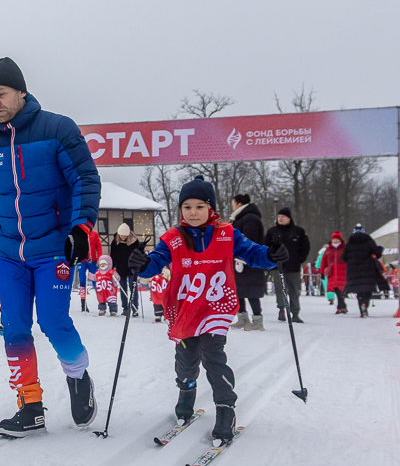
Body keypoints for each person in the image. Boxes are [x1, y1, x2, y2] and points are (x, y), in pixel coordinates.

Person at [0, 57, 102, 437]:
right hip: (11, 254)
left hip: (54, 250)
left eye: (1, 93)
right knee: (13, 328)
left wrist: (81, 227)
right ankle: (30, 406)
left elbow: (85, 179)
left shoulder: (57, 129)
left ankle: (78, 377)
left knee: (53, 322)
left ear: (21, 92)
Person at [129, 175, 286, 441]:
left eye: (200, 206)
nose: (193, 212)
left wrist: (271, 256)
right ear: (180, 209)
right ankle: (187, 391)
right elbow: (156, 261)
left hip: (217, 305)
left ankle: (226, 408)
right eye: (187, 206)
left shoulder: (227, 234)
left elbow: (253, 253)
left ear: (211, 209)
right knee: (186, 360)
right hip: (186, 307)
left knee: (214, 357)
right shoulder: (173, 237)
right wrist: (142, 264)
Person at [264, 207, 310, 323]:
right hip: (277, 266)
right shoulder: (272, 232)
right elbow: (265, 247)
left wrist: (300, 259)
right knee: (280, 289)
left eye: (283, 217)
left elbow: (305, 247)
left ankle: (295, 312)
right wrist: (270, 259)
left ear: (289, 218)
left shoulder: (298, 232)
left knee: (294, 290)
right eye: (279, 216)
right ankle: (281, 310)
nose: (280, 219)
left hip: (293, 266)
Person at [229, 194, 267, 331]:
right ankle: (242, 317)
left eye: (233, 203)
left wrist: (241, 256)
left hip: (249, 262)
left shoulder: (250, 218)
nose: (232, 206)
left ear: (239, 204)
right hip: (238, 261)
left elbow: (249, 239)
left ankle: (257, 319)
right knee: (239, 290)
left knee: (252, 290)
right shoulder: (239, 218)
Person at [342, 224, 384, 318]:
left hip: (353, 270)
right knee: (367, 288)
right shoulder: (369, 241)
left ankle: (361, 305)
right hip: (368, 269)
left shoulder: (349, 243)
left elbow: (344, 257)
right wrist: (380, 249)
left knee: (359, 290)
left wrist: (352, 261)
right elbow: (377, 253)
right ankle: (365, 304)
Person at [110, 224, 142, 317]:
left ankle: (135, 308)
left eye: (125, 235)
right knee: (123, 289)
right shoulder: (115, 242)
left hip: (132, 269)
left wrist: (139, 266)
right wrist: (114, 269)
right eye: (122, 235)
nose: (123, 237)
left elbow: (138, 254)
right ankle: (125, 308)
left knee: (133, 288)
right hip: (120, 269)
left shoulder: (134, 242)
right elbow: (113, 256)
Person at [318, 231, 348, 314]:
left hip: (342, 271)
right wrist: (322, 272)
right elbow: (324, 261)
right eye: (334, 239)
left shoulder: (345, 248)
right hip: (332, 272)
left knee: (341, 289)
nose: (335, 241)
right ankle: (342, 305)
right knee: (336, 289)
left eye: (337, 239)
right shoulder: (328, 249)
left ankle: (341, 306)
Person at [76, 227, 103, 313]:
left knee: (95, 281)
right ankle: (83, 304)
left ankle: (101, 304)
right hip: (82, 261)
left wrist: (99, 258)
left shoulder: (94, 234)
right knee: (82, 282)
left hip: (92, 261)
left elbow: (98, 246)